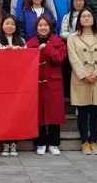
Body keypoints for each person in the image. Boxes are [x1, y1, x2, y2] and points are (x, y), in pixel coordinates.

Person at [67, 8, 97, 155]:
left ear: (93, 18)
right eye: (83, 16)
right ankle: (85, 142)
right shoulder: (73, 37)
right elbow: (73, 57)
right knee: (83, 111)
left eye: (89, 16)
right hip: (81, 79)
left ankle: (94, 141)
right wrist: (84, 74)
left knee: (95, 112)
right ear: (79, 19)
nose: (86, 18)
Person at [26, 16, 66, 156]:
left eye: (45, 25)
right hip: (36, 82)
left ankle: (54, 143)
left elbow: (59, 59)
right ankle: (40, 142)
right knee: (38, 113)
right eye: (40, 25)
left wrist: (46, 48)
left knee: (54, 113)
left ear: (50, 27)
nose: (43, 28)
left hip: (53, 82)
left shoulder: (58, 42)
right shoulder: (30, 43)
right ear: (36, 28)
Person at [0, 15, 26, 156]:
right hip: (1, 82)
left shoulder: (21, 41)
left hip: (17, 83)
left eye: (12, 24)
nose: (9, 26)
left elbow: (26, 60)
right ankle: (5, 143)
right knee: (3, 113)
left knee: (15, 112)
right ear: (2, 25)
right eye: (7, 23)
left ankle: (14, 143)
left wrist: (17, 53)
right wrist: (4, 52)